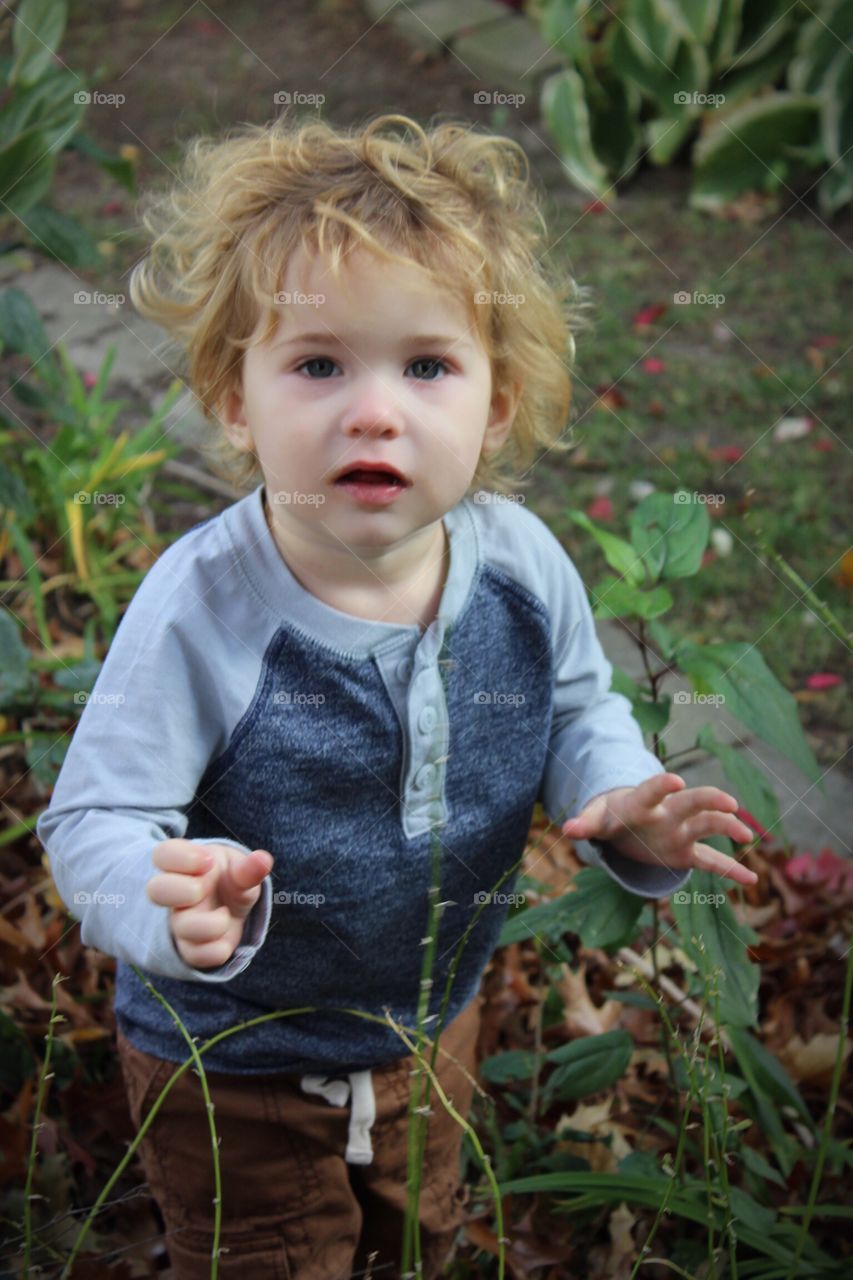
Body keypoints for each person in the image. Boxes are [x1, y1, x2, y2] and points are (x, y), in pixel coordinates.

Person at [37, 111, 758, 1280]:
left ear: (499, 404)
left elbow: (576, 710)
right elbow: (91, 822)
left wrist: (622, 795)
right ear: (234, 399)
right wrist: (161, 902)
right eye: (318, 364)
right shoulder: (205, 609)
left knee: (411, 1236)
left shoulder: (520, 565)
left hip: (429, 1029)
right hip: (236, 1066)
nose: (374, 411)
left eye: (426, 365)